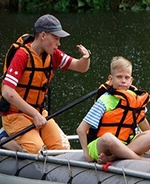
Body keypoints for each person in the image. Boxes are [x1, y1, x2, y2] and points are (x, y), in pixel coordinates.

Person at [1, 14, 91, 153]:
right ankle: (4, 140)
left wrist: (86, 58)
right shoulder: (22, 55)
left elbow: (80, 67)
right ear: (43, 35)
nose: (58, 43)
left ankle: (26, 137)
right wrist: (34, 114)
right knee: (36, 150)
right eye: (56, 38)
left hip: (38, 114)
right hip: (15, 116)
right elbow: (7, 92)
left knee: (63, 148)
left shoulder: (53, 54)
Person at [77, 56, 150, 163]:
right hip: (102, 145)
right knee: (108, 138)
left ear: (131, 80)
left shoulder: (134, 99)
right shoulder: (104, 100)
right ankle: (139, 159)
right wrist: (87, 155)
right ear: (111, 79)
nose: (123, 81)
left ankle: (114, 157)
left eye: (127, 78)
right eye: (119, 77)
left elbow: (145, 127)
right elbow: (81, 129)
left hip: (126, 143)